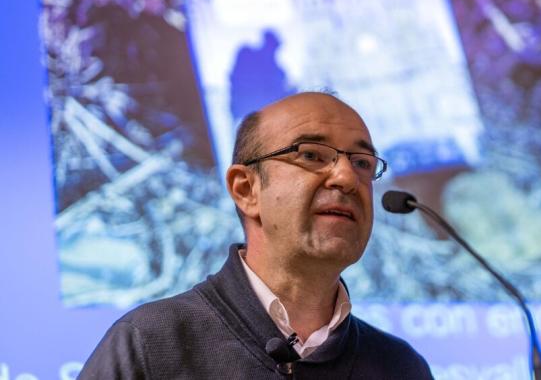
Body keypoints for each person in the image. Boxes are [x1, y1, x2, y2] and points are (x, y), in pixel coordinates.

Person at [78, 92, 434, 379]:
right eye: (310, 154)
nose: (345, 177)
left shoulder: (401, 367)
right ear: (246, 189)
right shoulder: (153, 343)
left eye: (362, 163)